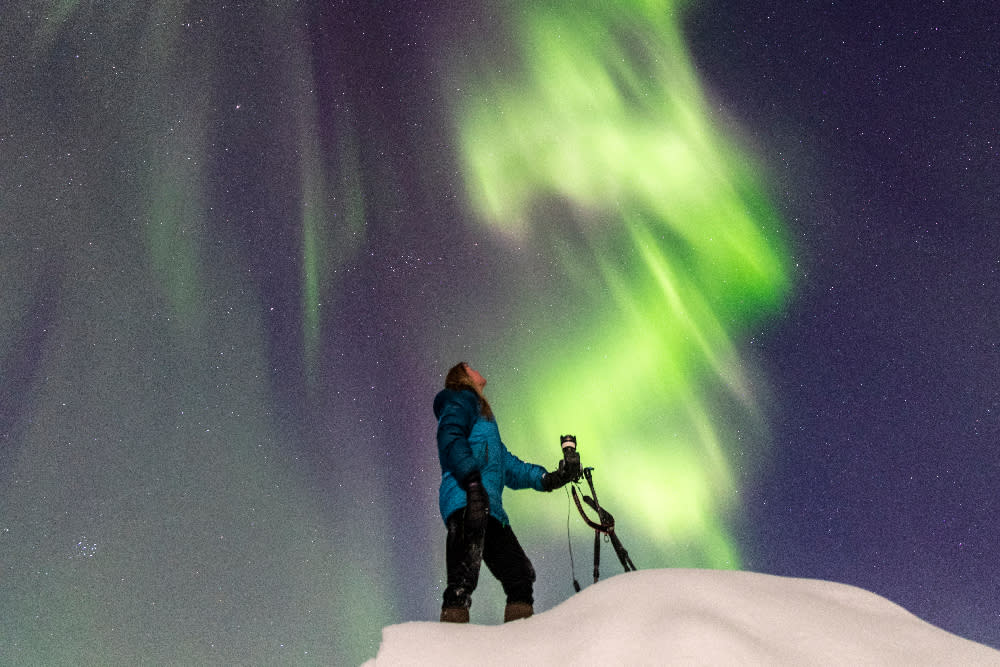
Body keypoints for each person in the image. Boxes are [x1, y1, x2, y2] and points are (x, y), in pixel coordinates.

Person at [433, 361, 580, 623]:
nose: (478, 369)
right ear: (464, 376)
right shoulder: (459, 399)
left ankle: (518, 644)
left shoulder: (485, 420)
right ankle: (450, 646)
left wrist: (548, 479)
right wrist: (472, 482)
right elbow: (450, 438)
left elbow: (508, 466)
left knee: (520, 575)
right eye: (471, 367)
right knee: (461, 581)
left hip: (491, 509)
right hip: (466, 498)